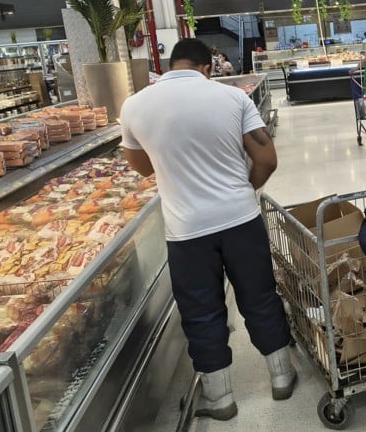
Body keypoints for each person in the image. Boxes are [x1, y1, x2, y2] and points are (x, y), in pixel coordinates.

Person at [119, 38, 296, 421]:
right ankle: (282, 377)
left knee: (201, 311)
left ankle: (220, 398)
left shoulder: (134, 106)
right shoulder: (232, 98)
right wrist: (243, 190)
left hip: (186, 231)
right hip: (240, 220)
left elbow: (144, 168)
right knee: (260, 296)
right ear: (208, 67)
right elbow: (267, 159)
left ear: (171, 65)